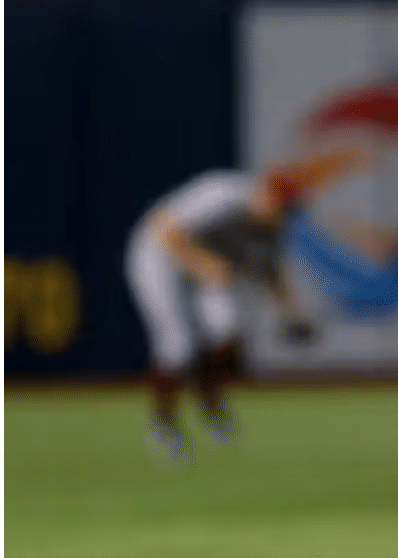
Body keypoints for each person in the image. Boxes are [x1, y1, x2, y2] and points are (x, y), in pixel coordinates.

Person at [124, 165, 324, 460]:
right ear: (264, 192)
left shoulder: (270, 225)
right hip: (158, 255)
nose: (281, 215)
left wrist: (292, 313)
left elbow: (271, 270)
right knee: (176, 344)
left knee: (227, 332)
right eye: (280, 206)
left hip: (207, 265)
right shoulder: (222, 193)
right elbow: (162, 229)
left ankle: (209, 402)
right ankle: (164, 425)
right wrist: (201, 264)